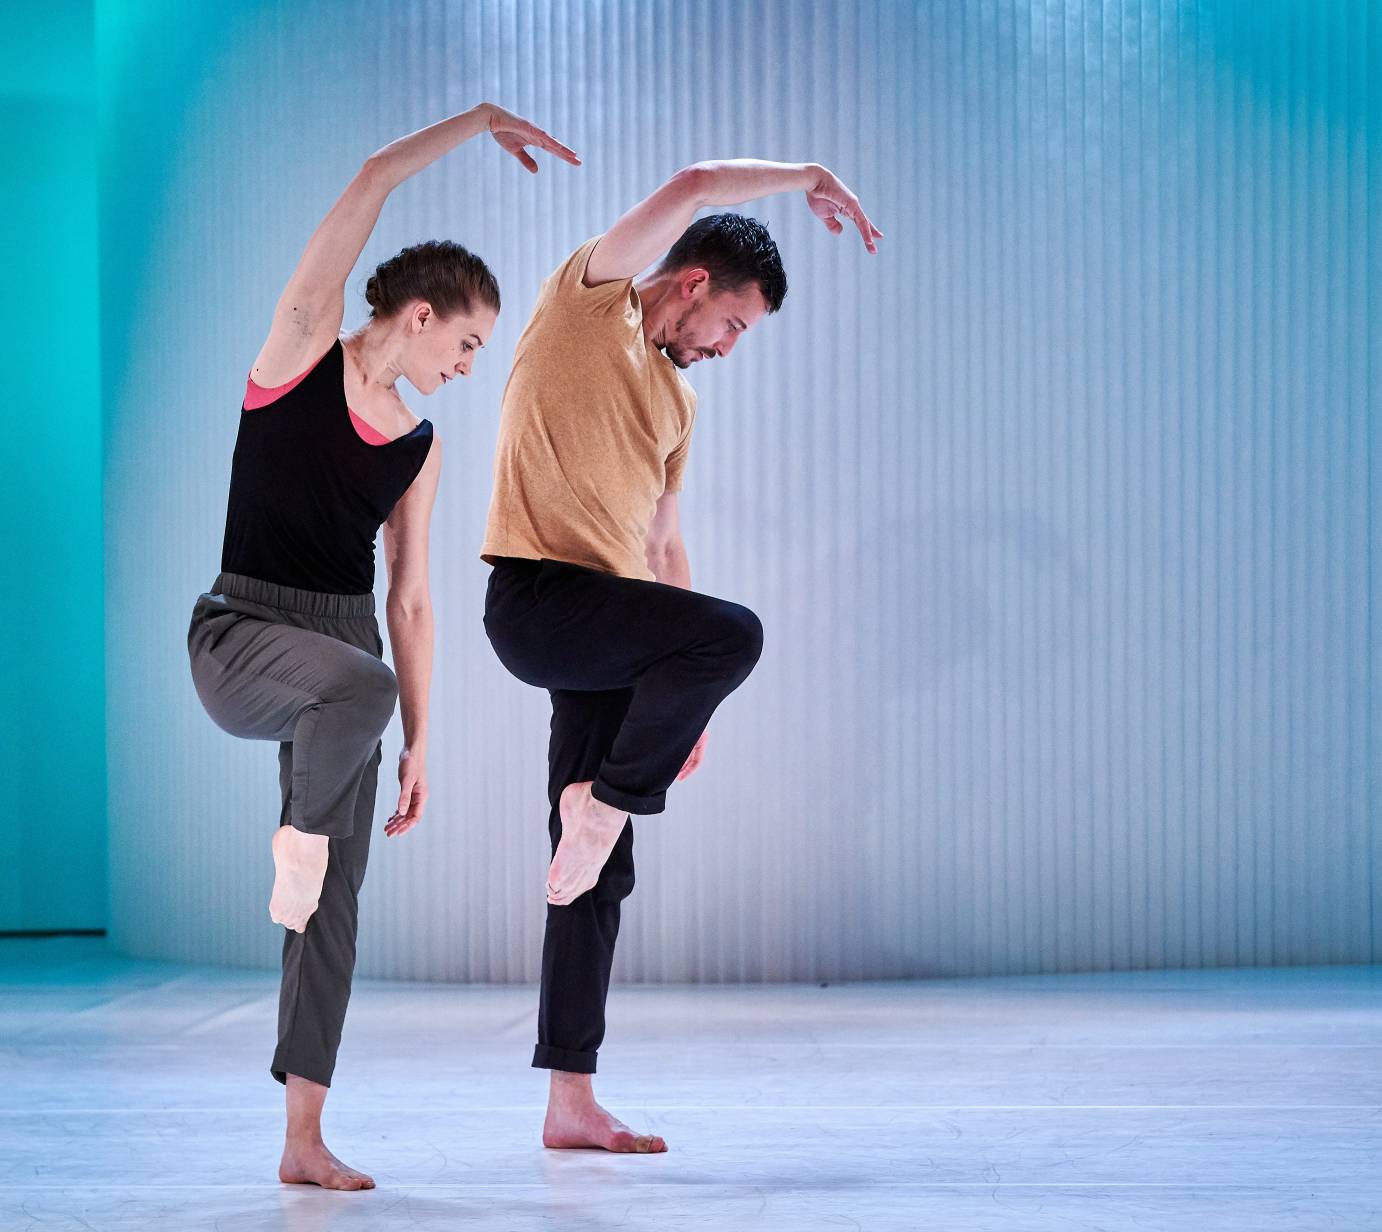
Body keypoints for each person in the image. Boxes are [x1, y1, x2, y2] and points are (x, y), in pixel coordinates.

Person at [186, 102, 579, 1191]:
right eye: (467, 343)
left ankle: (302, 1138)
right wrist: (479, 121)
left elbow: (409, 598)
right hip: (242, 632)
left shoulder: (419, 445)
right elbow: (368, 179)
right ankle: (301, 843)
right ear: (418, 315)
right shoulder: (298, 348)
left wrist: (420, 740)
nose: (469, 366)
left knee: (333, 902)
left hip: (350, 655)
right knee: (352, 707)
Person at [480, 159, 882, 1153]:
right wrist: (807, 175)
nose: (728, 347)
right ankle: (608, 800)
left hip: (612, 629)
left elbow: (663, 550)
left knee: (591, 870)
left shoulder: (679, 402)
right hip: (537, 601)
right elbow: (694, 183)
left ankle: (569, 1101)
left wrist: (683, 707)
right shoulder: (587, 308)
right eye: (732, 324)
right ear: (694, 283)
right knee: (733, 632)